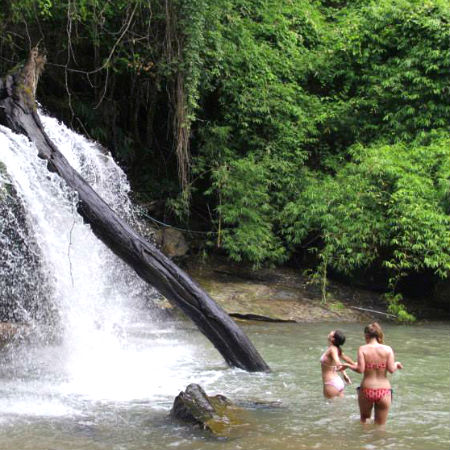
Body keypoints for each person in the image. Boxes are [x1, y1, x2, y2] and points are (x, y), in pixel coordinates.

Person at [340, 322, 403, 425]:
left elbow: (360, 369)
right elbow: (391, 369)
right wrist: (397, 364)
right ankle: (379, 441)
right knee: (380, 425)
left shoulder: (363, 349)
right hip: (384, 391)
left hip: (366, 390)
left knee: (364, 421)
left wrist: (348, 366)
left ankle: (363, 441)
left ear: (366, 335)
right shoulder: (388, 349)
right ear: (378, 334)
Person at [320, 330, 354, 399]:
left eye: (332, 332)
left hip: (330, 383)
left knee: (330, 408)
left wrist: (344, 368)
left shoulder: (332, 349)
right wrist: (345, 374)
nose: (330, 332)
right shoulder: (337, 349)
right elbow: (346, 359)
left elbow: (337, 361)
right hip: (338, 381)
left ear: (333, 339)